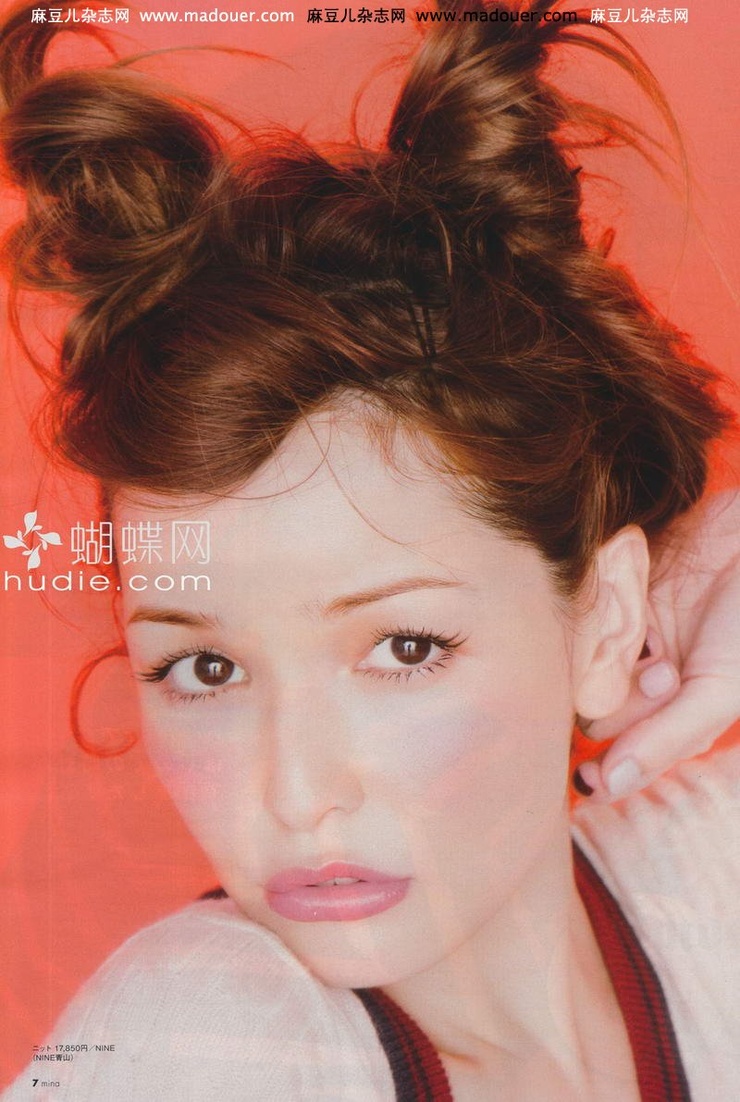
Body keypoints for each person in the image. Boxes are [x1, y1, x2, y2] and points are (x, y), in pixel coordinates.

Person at [1, 0, 739, 1098]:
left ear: (607, 620)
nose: (297, 795)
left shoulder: (706, 890)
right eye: (205, 668)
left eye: (403, 647)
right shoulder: (199, 1037)